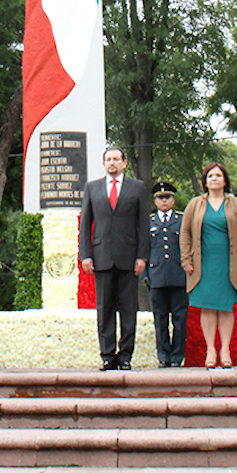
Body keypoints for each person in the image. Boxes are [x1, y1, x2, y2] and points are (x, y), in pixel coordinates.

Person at [79, 145, 150, 371]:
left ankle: (126, 356)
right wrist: (85, 255)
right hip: (101, 257)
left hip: (129, 257)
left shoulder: (137, 187)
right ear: (103, 164)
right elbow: (85, 224)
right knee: (105, 308)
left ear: (124, 163)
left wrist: (142, 256)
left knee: (129, 309)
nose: (112, 163)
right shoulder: (92, 188)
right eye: (108, 159)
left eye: (116, 159)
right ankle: (108, 355)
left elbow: (144, 224)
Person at [180, 161, 237, 369]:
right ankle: (211, 349)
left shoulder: (236, 204)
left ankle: (225, 350)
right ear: (205, 181)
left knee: (225, 306)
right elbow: (185, 232)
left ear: (225, 180)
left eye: (218, 176)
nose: (214, 179)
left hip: (230, 262)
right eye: (210, 176)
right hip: (203, 263)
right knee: (208, 307)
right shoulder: (195, 204)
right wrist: (186, 259)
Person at [141, 181, 189, 368]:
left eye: (167, 197)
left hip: (179, 276)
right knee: (160, 319)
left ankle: (177, 356)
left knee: (180, 319)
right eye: (160, 198)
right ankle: (163, 356)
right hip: (156, 276)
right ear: (155, 201)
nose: (164, 201)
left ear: (173, 199)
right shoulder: (148, 221)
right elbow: (143, 250)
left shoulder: (182, 220)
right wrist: (144, 274)